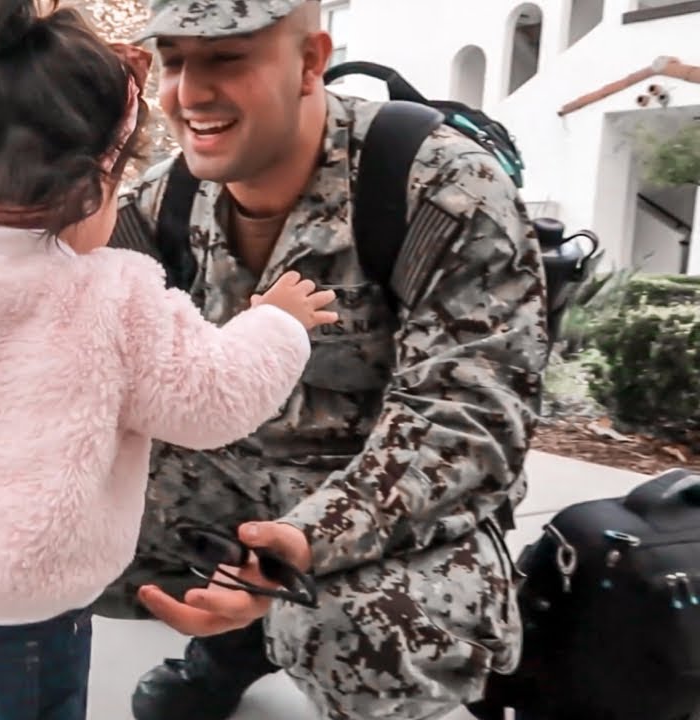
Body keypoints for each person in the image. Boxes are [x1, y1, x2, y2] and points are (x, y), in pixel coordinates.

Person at [0, 0, 343, 716]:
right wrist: (276, 322)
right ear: (96, 179)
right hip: (28, 621)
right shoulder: (114, 295)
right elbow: (215, 399)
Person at [86, 2, 551, 720]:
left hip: (396, 507)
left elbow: (469, 422)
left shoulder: (440, 187)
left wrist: (302, 543)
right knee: (52, 510)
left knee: (357, 626)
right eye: (176, 60)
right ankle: (244, 640)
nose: (190, 92)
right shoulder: (165, 197)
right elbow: (89, 354)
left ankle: (284, 626)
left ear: (310, 62)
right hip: (234, 477)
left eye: (227, 58)